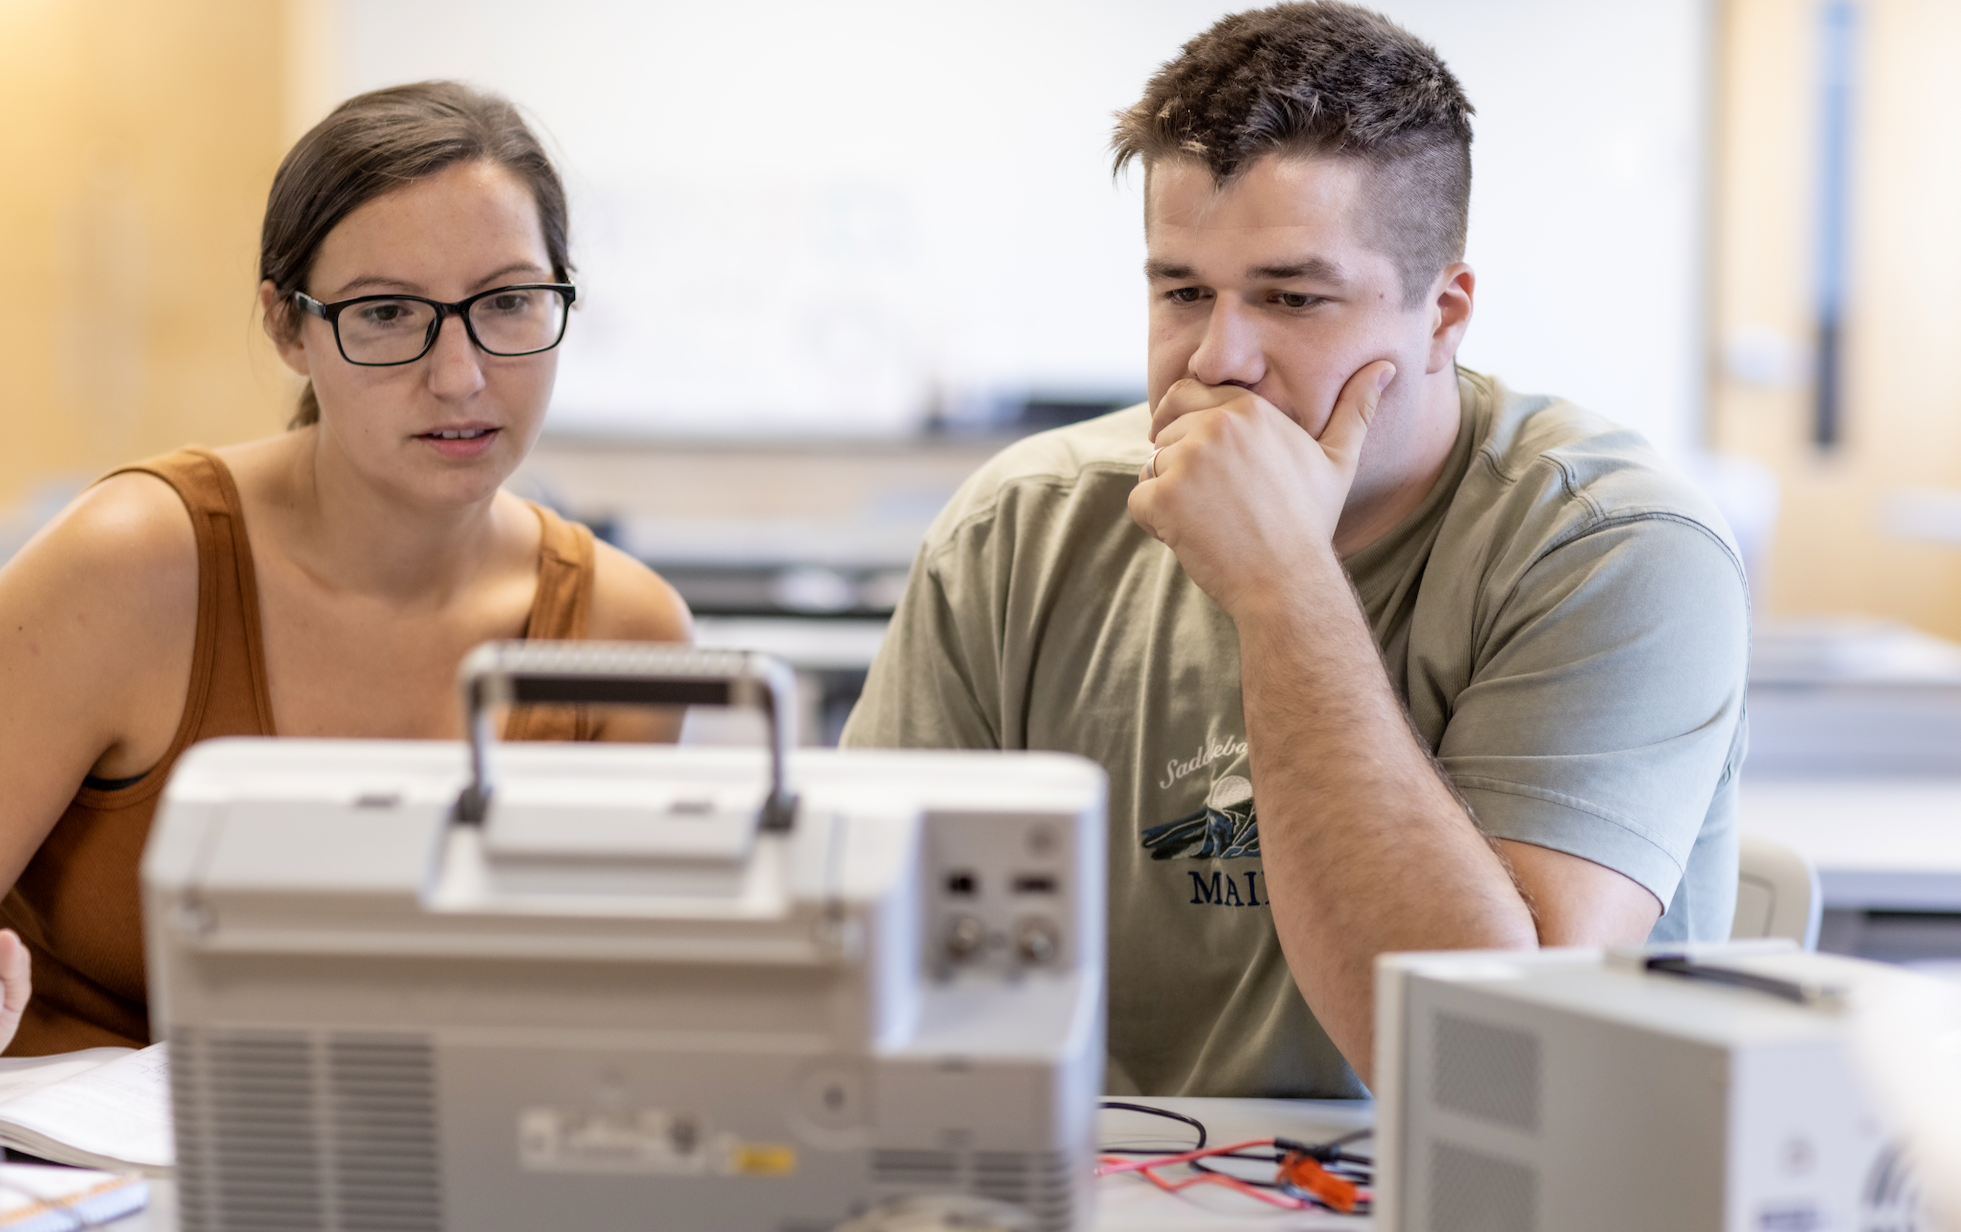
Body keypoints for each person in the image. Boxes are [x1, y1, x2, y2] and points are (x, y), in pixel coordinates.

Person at [843, 2, 1748, 1097]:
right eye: (1180, 291)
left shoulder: (1616, 550)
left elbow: (1486, 1067)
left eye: (1290, 297)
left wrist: (1281, 584)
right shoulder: (1019, 528)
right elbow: (857, 956)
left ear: (1440, 313)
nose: (1217, 358)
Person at [0, 82, 691, 1056]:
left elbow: (602, 1024)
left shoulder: (624, 633)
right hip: (81, 1184)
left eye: (508, 302)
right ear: (288, 328)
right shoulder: (132, 565)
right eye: (384, 313)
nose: (459, 375)